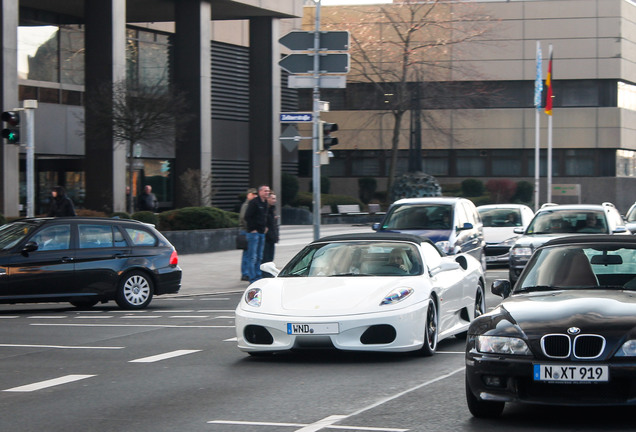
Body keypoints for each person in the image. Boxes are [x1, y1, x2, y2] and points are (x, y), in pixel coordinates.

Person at [244, 184, 270, 283]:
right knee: (252, 256)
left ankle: (258, 275)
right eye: (265, 191)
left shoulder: (265, 203)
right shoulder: (254, 203)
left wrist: (265, 227)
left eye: (268, 191)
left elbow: (264, 217)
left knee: (259, 256)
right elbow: (247, 216)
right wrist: (252, 229)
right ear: (260, 192)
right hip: (254, 233)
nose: (267, 193)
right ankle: (252, 277)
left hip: (261, 232)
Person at [238, 188, 257, 281]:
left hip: (248, 230)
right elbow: (244, 218)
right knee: (246, 254)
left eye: (255, 194)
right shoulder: (246, 205)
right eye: (252, 194)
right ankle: (245, 273)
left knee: (249, 253)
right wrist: (250, 227)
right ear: (248, 195)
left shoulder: (252, 205)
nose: (254, 196)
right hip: (246, 231)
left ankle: (247, 272)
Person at [262, 191, 280, 268]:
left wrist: (276, 235)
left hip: (272, 237)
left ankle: (268, 272)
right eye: (272, 198)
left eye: (275, 199)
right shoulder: (265, 209)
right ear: (268, 199)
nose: (274, 200)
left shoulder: (273, 209)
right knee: (265, 257)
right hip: (266, 237)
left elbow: (274, 225)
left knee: (270, 257)